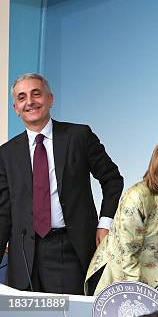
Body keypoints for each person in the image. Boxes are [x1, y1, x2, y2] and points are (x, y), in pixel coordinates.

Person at [0, 73, 124, 294]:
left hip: (68, 249)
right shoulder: (6, 153)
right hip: (23, 257)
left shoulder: (79, 136)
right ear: (16, 108)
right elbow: (3, 212)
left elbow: (112, 179)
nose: (30, 102)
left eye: (36, 94)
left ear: (50, 99)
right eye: (22, 97)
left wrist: (104, 225)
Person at [85, 134, 158, 301]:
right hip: (117, 278)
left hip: (156, 277)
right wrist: (137, 297)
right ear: (157, 162)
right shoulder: (138, 196)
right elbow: (128, 253)